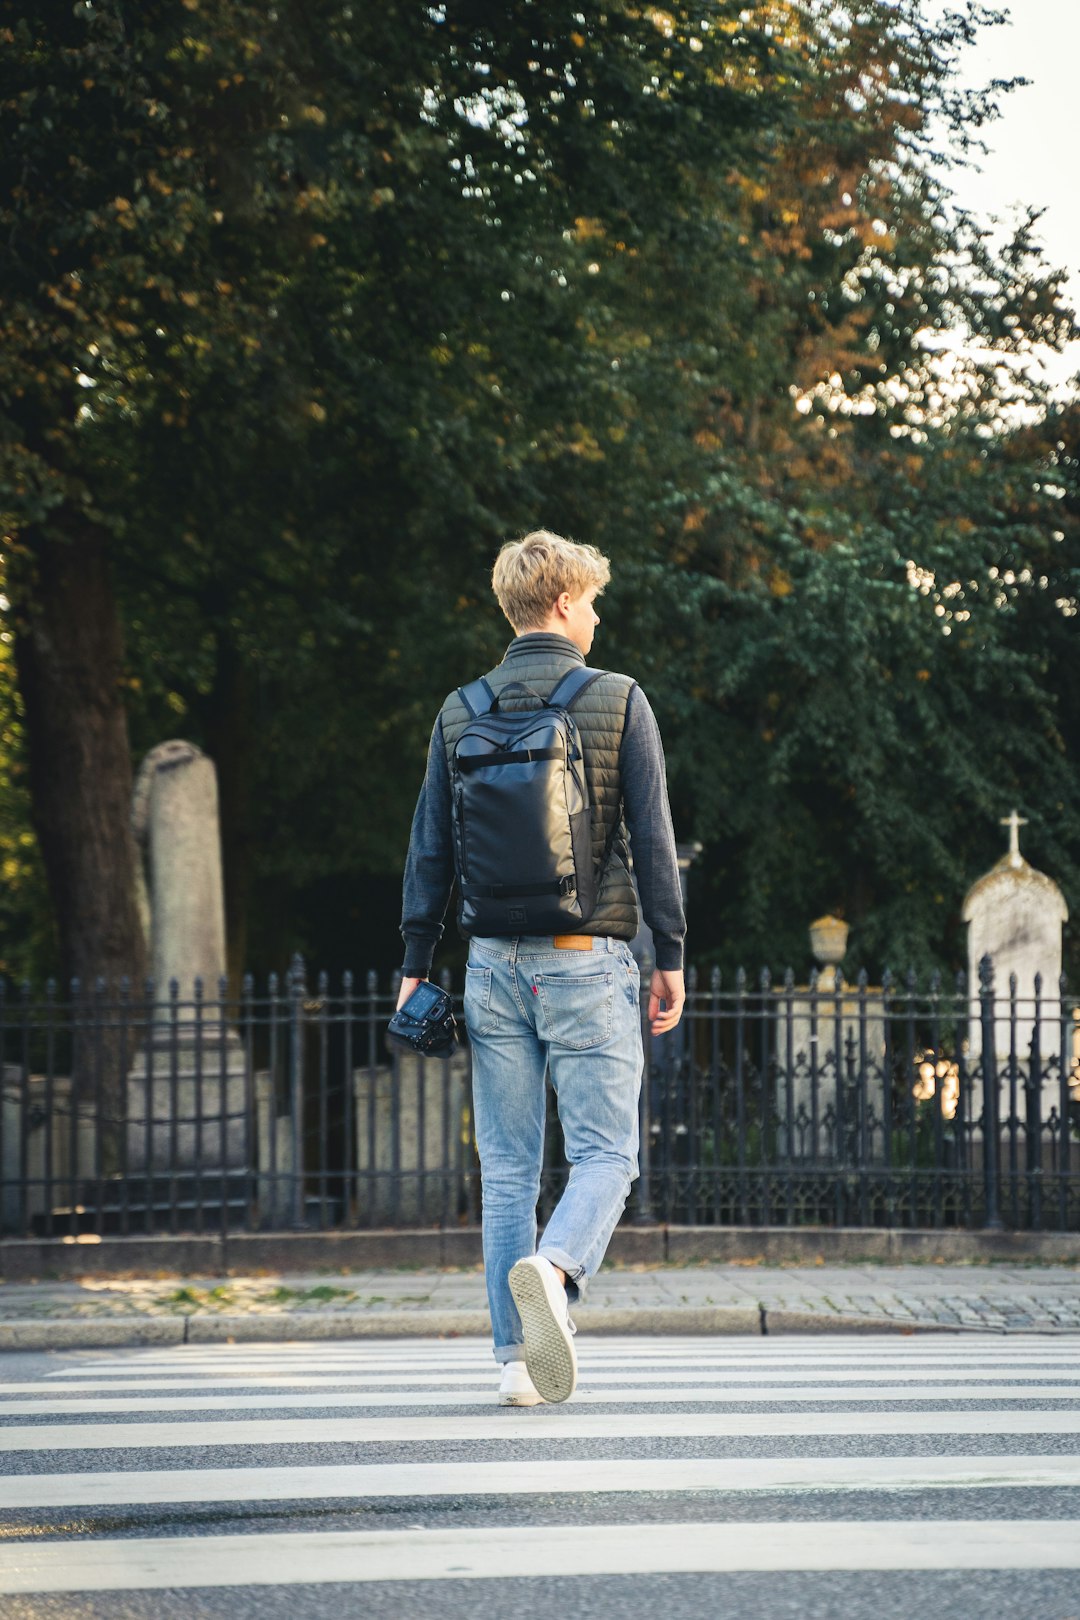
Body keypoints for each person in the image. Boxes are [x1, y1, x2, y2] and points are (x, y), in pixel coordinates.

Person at [397, 529, 686, 1405]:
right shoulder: (619, 698)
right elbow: (655, 839)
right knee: (607, 1154)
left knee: (510, 1172)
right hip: (586, 960)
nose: (597, 614)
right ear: (562, 603)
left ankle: (517, 1364)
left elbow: (429, 851)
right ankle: (556, 1276)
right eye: (592, 600)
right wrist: (668, 954)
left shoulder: (461, 708)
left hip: (489, 967)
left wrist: (416, 960)